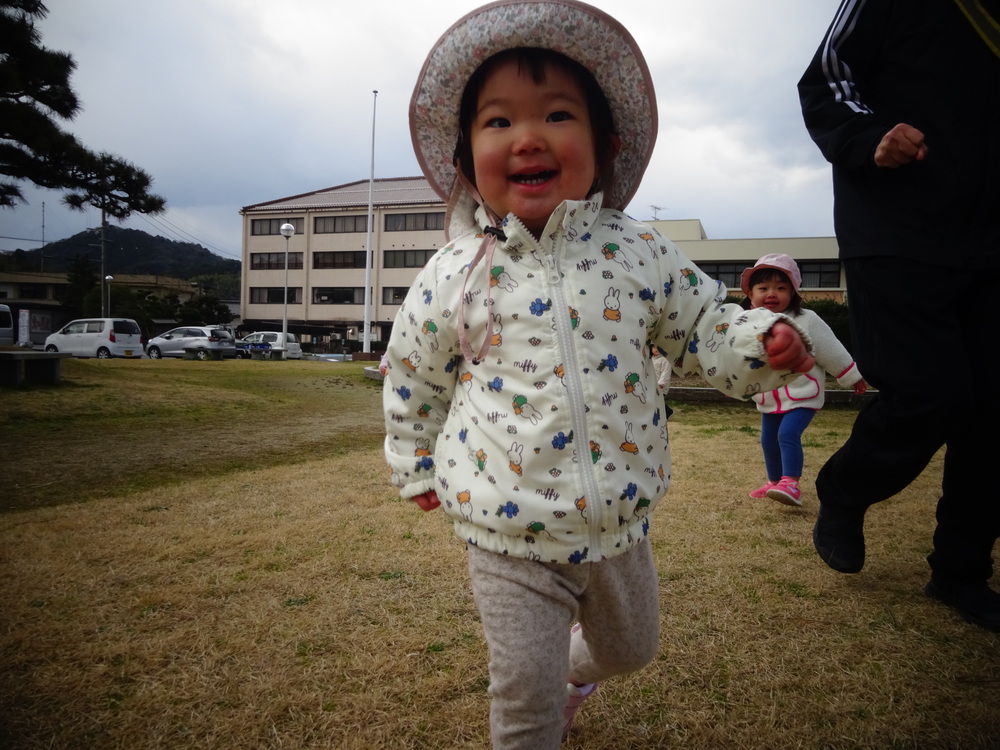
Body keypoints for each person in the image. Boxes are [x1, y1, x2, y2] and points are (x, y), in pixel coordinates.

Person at [383, 2, 816, 746]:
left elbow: (704, 324)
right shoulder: (454, 273)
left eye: (556, 115)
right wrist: (416, 463)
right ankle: (544, 702)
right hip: (505, 526)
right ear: (464, 162)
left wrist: (760, 340)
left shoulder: (637, 251)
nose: (527, 138)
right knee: (522, 698)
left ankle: (574, 676)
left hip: (619, 520)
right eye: (496, 122)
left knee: (630, 649)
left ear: (604, 146)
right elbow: (413, 373)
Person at [798, 0, 1000, 631]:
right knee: (928, 391)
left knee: (993, 412)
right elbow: (827, 73)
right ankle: (846, 487)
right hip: (896, 224)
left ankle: (961, 571)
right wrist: (868, 136)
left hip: (992, 238)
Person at [740, 254, 866, 507]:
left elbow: (831, 349)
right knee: (768, 440)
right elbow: (737, 359)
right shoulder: (747, 324)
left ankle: (791, 483)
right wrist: (733, 384)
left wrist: (851, 375)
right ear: (751, 294)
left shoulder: (807, 319)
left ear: (794, 291)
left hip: (802, 394)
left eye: (781, 287)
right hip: (768, 396)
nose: (771, 293)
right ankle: (774, 482)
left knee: (787, 434)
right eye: (763, 288)